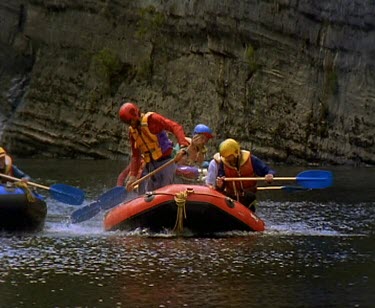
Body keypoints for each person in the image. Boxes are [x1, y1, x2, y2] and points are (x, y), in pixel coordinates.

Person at [118, 102, 189, 193]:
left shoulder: (152, 119)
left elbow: (174, 126)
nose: (131, 124)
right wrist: (133, 176)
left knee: (164, 192)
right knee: (142, 192)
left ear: (135, 115)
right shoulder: (132, 132)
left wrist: (183, 146)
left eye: (131, 121)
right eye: (127, 122)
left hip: (165, 162)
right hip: (150, 165)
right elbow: (136, 156)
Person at [205, 138, 275, 212]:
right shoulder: (224, 163)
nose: (227, 159)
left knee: (249, 198)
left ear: (236, 153)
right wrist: (219, 185)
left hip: (248, 198)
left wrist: (269, 175)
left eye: (229, 156)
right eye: (225, 157)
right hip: (231, 199)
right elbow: (221, 185)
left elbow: (267, 170)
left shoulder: (251, 159)